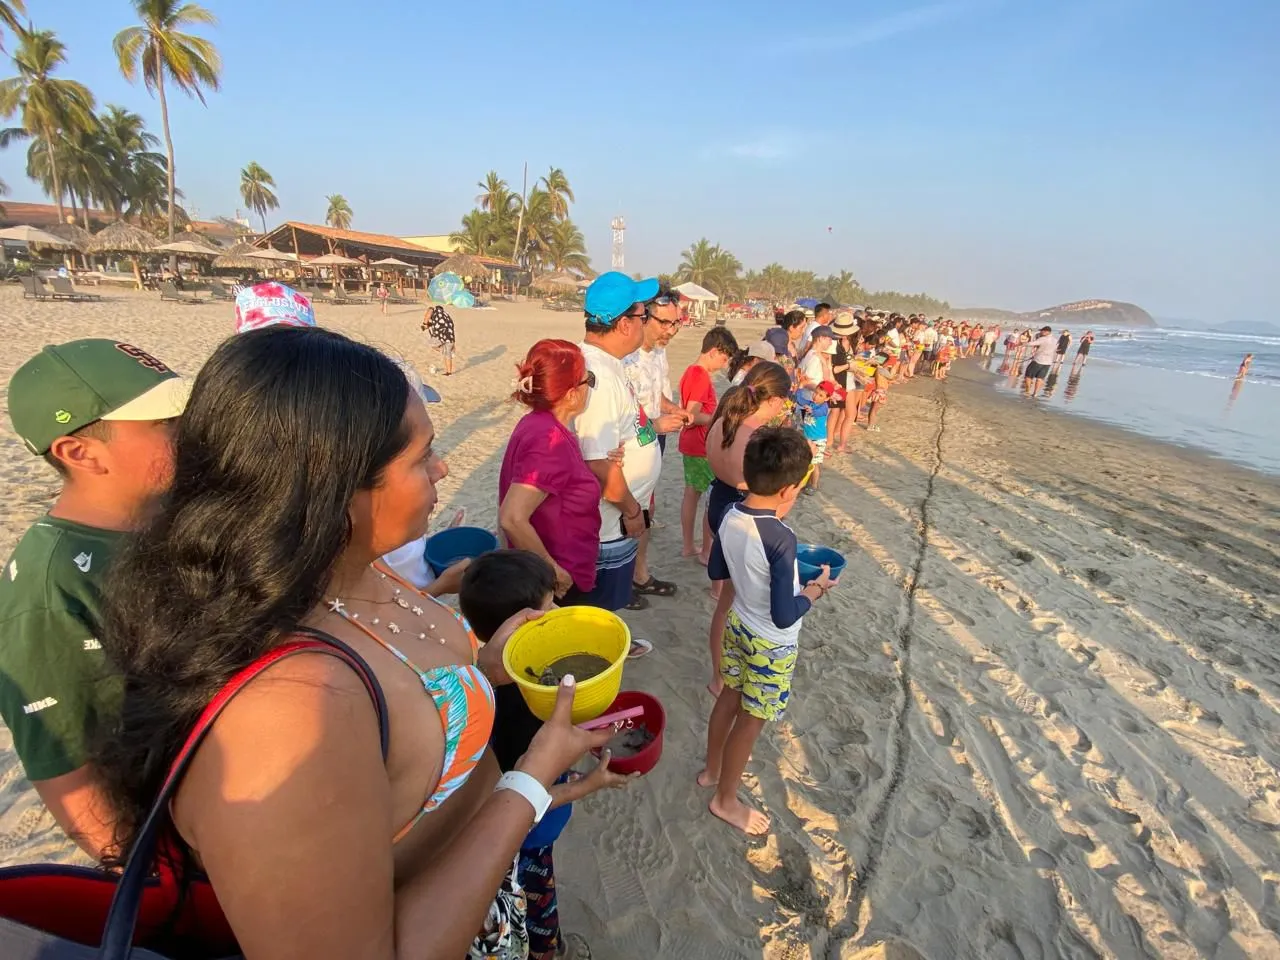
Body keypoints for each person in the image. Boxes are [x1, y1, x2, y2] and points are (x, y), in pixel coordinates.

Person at [95, 325, 620, 958]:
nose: (445, 466)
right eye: (422, 456)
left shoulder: (357, 573)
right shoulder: (285, 712)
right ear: (332, 490)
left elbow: (408, 709)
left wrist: (487, 666)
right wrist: (531, 781)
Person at [0, 339, 188, 860]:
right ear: (80, 453)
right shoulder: (50, 588)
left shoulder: (168, 515)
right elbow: (72, 776)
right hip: (187, 842)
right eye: (168, 424)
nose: (192, 433)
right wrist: (152, 876)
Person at [461, 550, 631, 960]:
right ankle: (546, 950)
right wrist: (586, 786)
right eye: (546, 608)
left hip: (521, 810)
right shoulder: (524, 715)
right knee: (535, 897)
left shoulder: (476, 676)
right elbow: (518, 797)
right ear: (521, 628)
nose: (557, 611)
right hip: (522, 835)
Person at [698, 427, 833, 835]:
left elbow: (717, 571)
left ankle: (711, 770)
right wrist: (814, 591)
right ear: (790, 489)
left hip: (737, 624)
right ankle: (725, 799)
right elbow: (783, 615)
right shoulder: (780, 537)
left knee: (729, 698)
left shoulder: (729, 515)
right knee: (752, 719)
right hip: (770, 644)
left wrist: (750, 573)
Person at [574, 272, 678, 614]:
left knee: (611, 603)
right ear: (623, 324)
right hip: (607, 525)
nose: (645, 322)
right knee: (599, 610)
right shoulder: (598, 377)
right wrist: (634, 511)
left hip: (616, 517)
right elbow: (597, 462)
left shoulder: (611, 366)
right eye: (641, 315)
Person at [704, 362, 791, 696]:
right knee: (736, 605)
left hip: (719, 507)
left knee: (725, 601)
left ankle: (717, 675)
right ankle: (731, 673)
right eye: (784, 401)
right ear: (774, 399)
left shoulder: (724, 420)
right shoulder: (754, 436)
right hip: (745, 519)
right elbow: (771, 503)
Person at [498, 339, 605, 601]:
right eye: (587, 379)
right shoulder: (549, 440)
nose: (590, 386)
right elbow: (511, 517)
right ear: (571, 394)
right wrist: (554, 571)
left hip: (549, 568)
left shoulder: (537, 422)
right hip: (557, 581)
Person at [679, 327, 739, 563]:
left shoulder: (690, 372)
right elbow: (691, 415)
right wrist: (719, 417)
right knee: (708, 499)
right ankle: (705, 550)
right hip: (699, 445)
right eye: (724, 359)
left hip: (692, 444)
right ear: (714, 352)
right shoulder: (700, 375)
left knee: (692, 494)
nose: (724, 365)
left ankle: (689, 545)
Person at [794, 382, 833, 493]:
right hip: (807, 437)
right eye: (815, 393)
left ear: (827, 398)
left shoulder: (824, 407)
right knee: (806, 460)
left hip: (818, 440)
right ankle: (804, 482)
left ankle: (814, 485)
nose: (816, 396)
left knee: (814, 463)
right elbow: (800, 400)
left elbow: (819, 412)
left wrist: (812, 411)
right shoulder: (811, 403)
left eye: (821, 395)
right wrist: (800, 387)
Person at [1023, 325, 1057, 397]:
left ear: (1046, 332)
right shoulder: (1055, 340)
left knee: (1028, 376)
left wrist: (1023, 343)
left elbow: (1031, 344)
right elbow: (1055, 350)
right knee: (1040, 378)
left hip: (1038, 360)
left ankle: (1028, 391)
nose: (1041, 332)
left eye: (1042, 331)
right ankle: (1035, 393)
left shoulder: (1043, 339)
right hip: (1048, 362)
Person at [796, 324, 834, 389]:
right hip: (811, 396)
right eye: (829, 340)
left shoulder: (812, 354)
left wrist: (824, 362)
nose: (831, 343)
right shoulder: (815, 357)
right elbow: (807, 382)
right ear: (821, 339)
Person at [424, 303, 457, 376]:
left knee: (432, 344)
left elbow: (428, 314)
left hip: (441, 336)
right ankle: (449, 372)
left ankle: (443, 350)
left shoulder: (433, 310)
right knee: (447, 354)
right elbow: (449, 327)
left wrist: (424, 323)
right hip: (450, 338)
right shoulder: (446, 316)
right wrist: (454, 344)